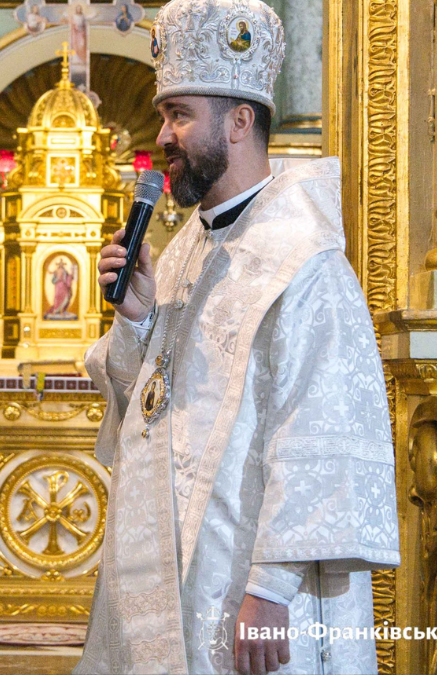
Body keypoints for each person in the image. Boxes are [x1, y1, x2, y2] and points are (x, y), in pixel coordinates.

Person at [74, 1, 400, 674]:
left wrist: (270, 589)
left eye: (179, 115)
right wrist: (136, 319)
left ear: (241, 120)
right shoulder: (188, 249)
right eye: (165, 115)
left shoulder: (306, 263)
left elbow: (320, 432)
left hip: (252, 589)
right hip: (175, 575)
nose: (162, 134)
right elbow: (155, 408)